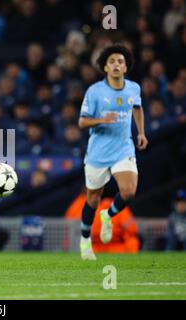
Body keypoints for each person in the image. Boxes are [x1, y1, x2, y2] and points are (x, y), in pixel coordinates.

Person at [78, 44, 148, 260]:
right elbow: (82, 122)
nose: (116, 65)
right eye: (112, 62)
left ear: (125, 68)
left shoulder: (133, 88)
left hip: (123, 147)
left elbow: (137, 108)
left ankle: (108, 216)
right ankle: (85, 239)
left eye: (120, 62)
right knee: (92, 199)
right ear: (105, 68)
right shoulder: (95, 91)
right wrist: (102, 119)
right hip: (98, 151)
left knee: (128, 192)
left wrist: (141, 133)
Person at [65, 192, 140, 253]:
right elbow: (72, 230)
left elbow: (131, 230)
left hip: (117, 246)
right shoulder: (80, 204)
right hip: (95, 246)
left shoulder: (116, 206)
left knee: (132, 242)